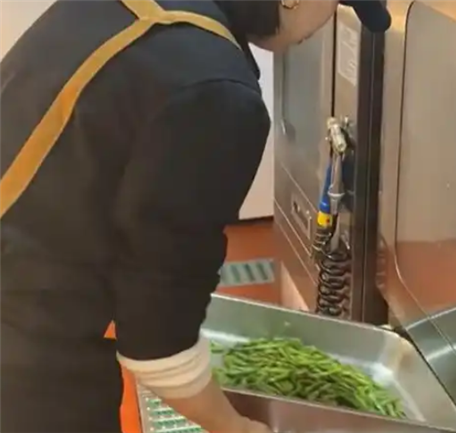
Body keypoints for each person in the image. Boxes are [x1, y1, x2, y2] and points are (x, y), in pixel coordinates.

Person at [0, 0, 390, 432]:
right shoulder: (213, 89)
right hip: (23, 362)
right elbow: (158, 341)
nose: (328, 21)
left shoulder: (145, 17)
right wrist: (237, 427)